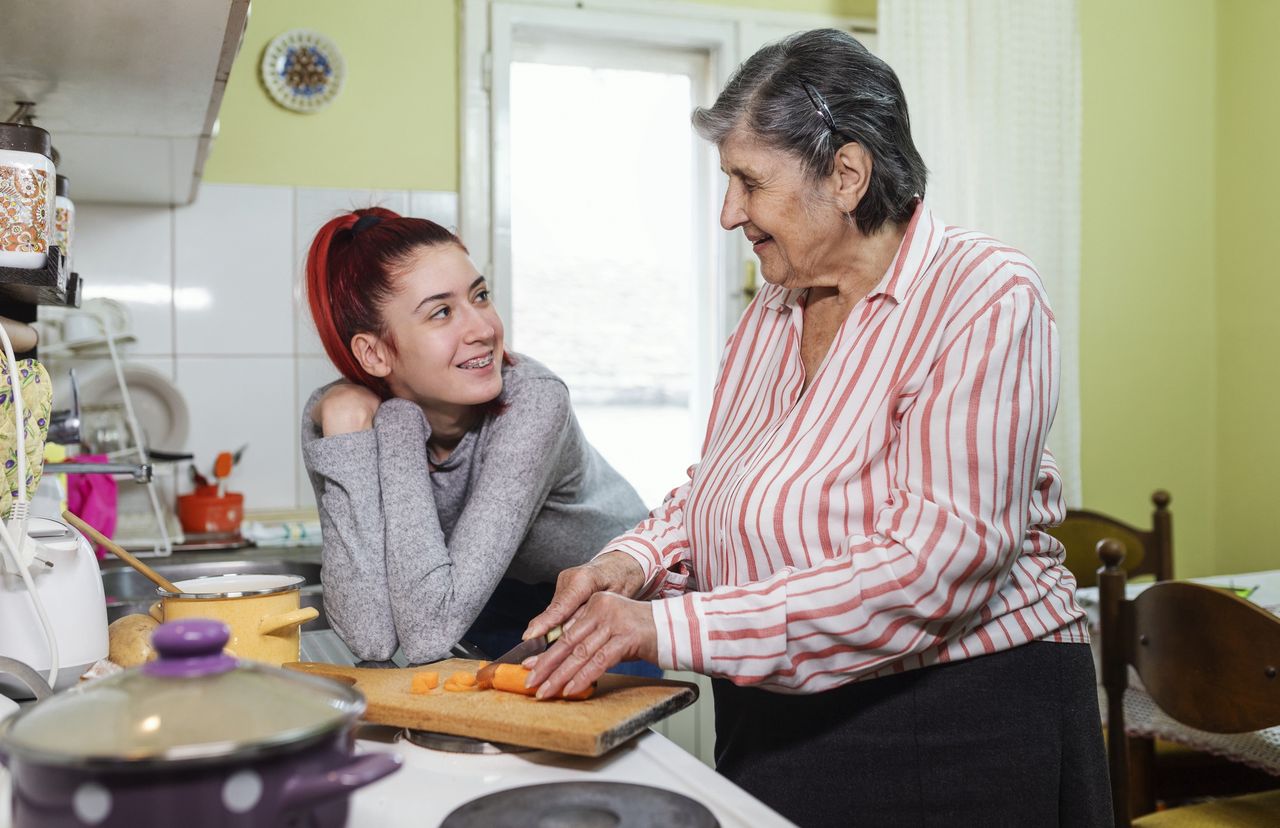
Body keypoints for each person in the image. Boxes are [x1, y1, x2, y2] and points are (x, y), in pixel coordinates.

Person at [522, 29, 1111, 827]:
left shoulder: (984, 295)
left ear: (846, 173)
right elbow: (724, 484)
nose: (730, 213)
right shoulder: (774, 306)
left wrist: (667, 626)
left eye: (748, 182)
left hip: (957, 717)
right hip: (781, 709)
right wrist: (631, 563)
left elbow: (933, 568)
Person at [300, 207, 651, 668]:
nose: (484, 329)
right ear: (374, 352)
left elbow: (426, 632)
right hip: (479, 598)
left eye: (480, 295)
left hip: (605, 603)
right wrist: (356, 432)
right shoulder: (340, 416)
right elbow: (370, 638)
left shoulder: (534, 402)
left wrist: (398, 420)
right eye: (442, 312)